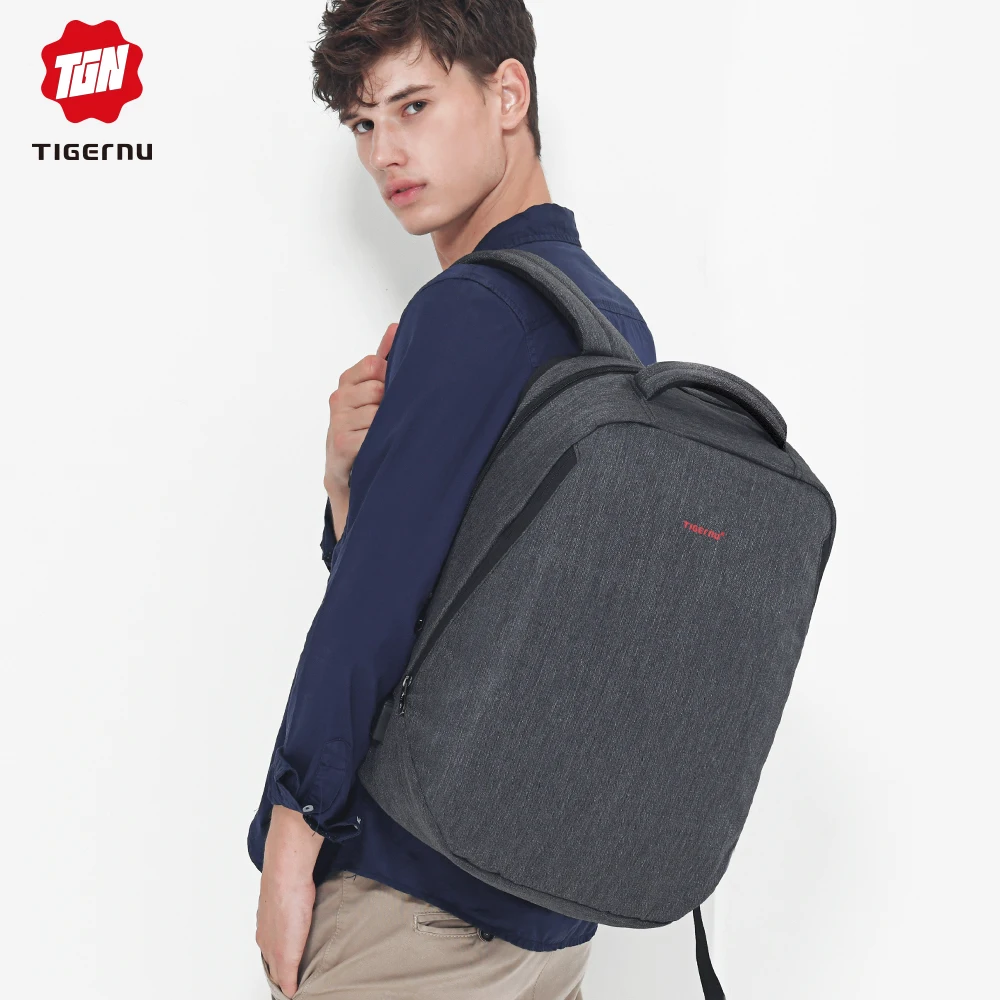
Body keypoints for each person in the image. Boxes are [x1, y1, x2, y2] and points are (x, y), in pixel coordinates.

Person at [248, 2, 657, 997]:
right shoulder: (613, 323)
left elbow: (376, 609)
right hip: (548, 911)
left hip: (416, 903)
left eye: (414, 105)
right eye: (363, 122)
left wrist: (291, 839)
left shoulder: (470, 309)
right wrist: (350, 488)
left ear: (507, 93)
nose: (385, 151)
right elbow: (489, 607)